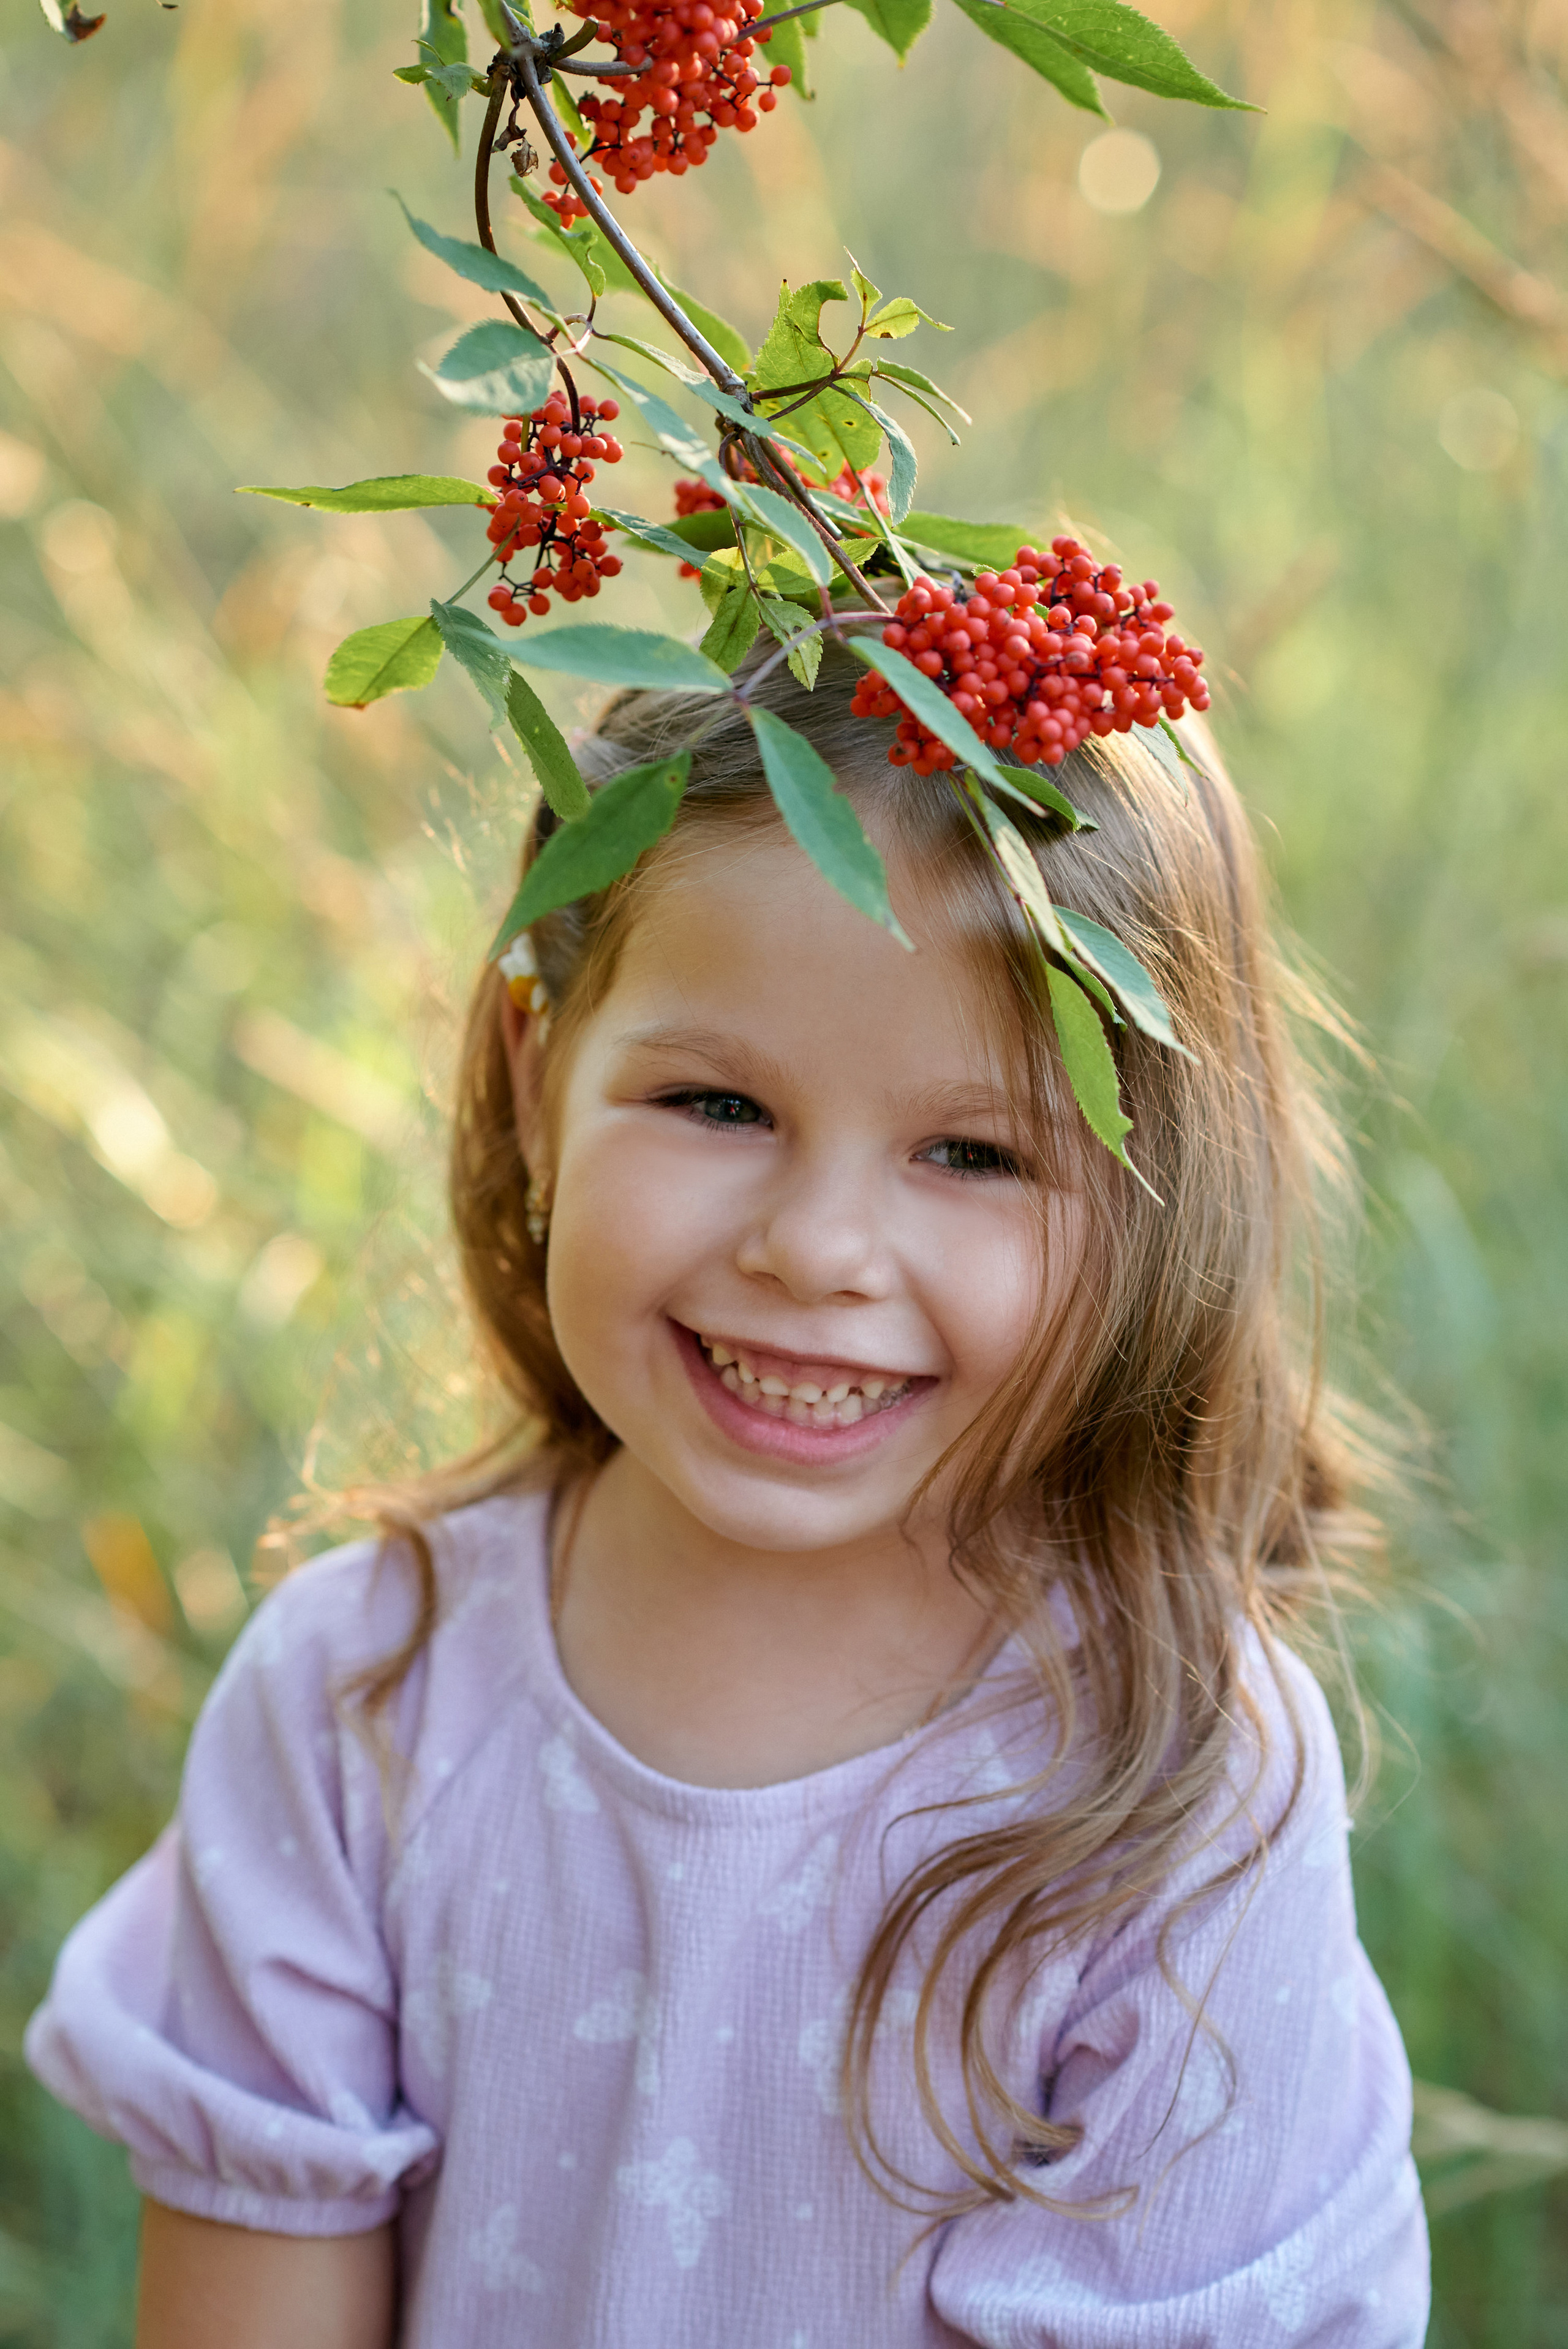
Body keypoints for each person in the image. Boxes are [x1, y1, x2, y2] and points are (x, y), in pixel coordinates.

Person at [25, 640, 1430, 2347]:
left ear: (1154, 1196)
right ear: (539, 1086)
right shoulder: (364, 1703)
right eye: (717, 1103)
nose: (818, 1249)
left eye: (974, 1152)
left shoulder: (1177, 1795)